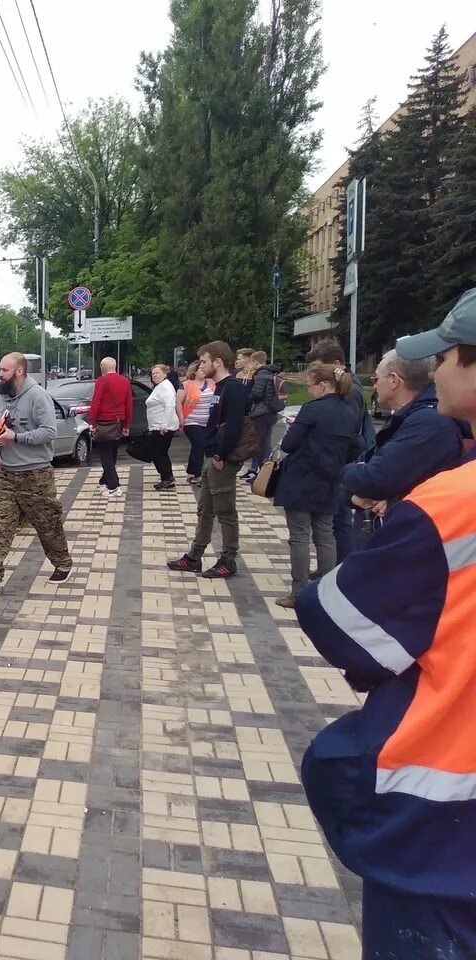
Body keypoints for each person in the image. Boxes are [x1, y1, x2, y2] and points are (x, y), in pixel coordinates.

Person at [297, 287, 476, 958]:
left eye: (449, 357)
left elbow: (346, 622)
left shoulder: (453, 503)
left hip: (445, 825)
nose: (439, 374)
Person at [0, 352, 72, 594]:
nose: (0, 374)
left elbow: (49, 432)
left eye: (4, 370)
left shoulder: (38, 396)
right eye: (0, 369)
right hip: (5, 473)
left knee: (47, 524)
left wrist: (17, 437)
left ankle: (63, 563)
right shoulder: (0, 399)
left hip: (35, 474)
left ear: (19, 371)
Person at [340, 350, 469, 543]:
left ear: (393, 380)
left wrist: (349, 473)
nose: (374, 385)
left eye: (376, 378)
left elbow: (373, 478)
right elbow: (371, 469)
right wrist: (355, 493)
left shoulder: (427, 423)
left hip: (408, 541)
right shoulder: (410, 418)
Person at [167, 341, 258, 579]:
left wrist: (221, 455)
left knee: (225, 510)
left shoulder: (233, 388)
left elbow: (235, 426)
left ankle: (229, 559)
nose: (201, 365)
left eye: (205, 361)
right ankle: (194, 556)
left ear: (218, 361)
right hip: (212, 456)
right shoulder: (217, 387)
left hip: (222, 460)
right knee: (205, 509)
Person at [270, 362, 357, 608]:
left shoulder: (312, 410)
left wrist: (292, 427)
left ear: (323, 385)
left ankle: (298, 592)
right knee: (325, 536)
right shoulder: (347, 412)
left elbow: (288, 445)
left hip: (302, 478)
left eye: (309, 386)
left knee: (299, 536)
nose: (308, 390)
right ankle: (326, 591)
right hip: (331, 479)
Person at [306, 338, 373, 561]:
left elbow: (347, 428)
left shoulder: (350, 391)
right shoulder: (346, 389)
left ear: (336, 364)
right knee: (335, 517)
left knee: (340, 517)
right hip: (337, 460)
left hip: (343, 460)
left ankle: (340, 565)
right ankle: (333, 564)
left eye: (320, 368)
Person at [87, 357, 133, 497]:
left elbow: (96, 402)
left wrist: (92, 423)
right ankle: (105, 481)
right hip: (118, 423)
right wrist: (126, 425)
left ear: (102, 368)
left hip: (103, 422)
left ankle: (113, 485)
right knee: (112, 454)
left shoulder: (102, 381)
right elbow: (129, 405)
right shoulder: (125, 381)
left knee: (105, 455)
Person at [244, 350, 285, 482]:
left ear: (256, 362)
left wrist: (247, 397)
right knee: (266, 442)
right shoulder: (272, 373)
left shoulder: (261, 375)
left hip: (260, 412)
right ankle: (265, 473)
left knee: (259, 444)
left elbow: (256, 394)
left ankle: (263, 475)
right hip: (271, 412)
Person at [146, 363, 180, 490]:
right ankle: (167, 478)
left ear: (165, 374)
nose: (154, 375)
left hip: (163, 427)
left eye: (157, 373)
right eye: (153, 373)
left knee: (157, 453)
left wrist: (163, 425)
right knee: (160, 453)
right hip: (158, 426)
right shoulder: (159, 386)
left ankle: (167, 478)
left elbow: (169, 405)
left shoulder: (165, 387)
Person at [182, 361, 216, 485]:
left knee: (202, 446)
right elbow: (178, 402)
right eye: (201, 369)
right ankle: (197, 474)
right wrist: (181, 419)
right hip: (191, 421)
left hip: (208, 421)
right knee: (199, 444)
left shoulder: (211, 384)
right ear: (194, 371)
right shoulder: (187, 385)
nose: (203, 372)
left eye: (204, 369)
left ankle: (192, 471)